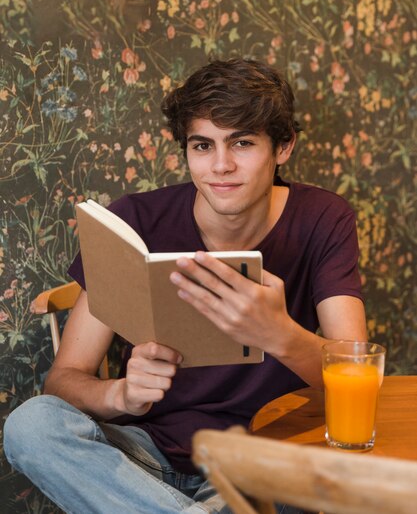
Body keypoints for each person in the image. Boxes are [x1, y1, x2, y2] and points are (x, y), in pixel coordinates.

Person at [4, 58, 367, 514]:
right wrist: (122, 395)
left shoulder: (323, 218)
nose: (221, 166)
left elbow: (356, 376)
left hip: (256, 459)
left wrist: (278, 333)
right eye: (202, 145)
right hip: (142, 458)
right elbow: (63, 380)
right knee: (31, 425)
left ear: (283, 147)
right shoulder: (134, 221)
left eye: (243, 143)